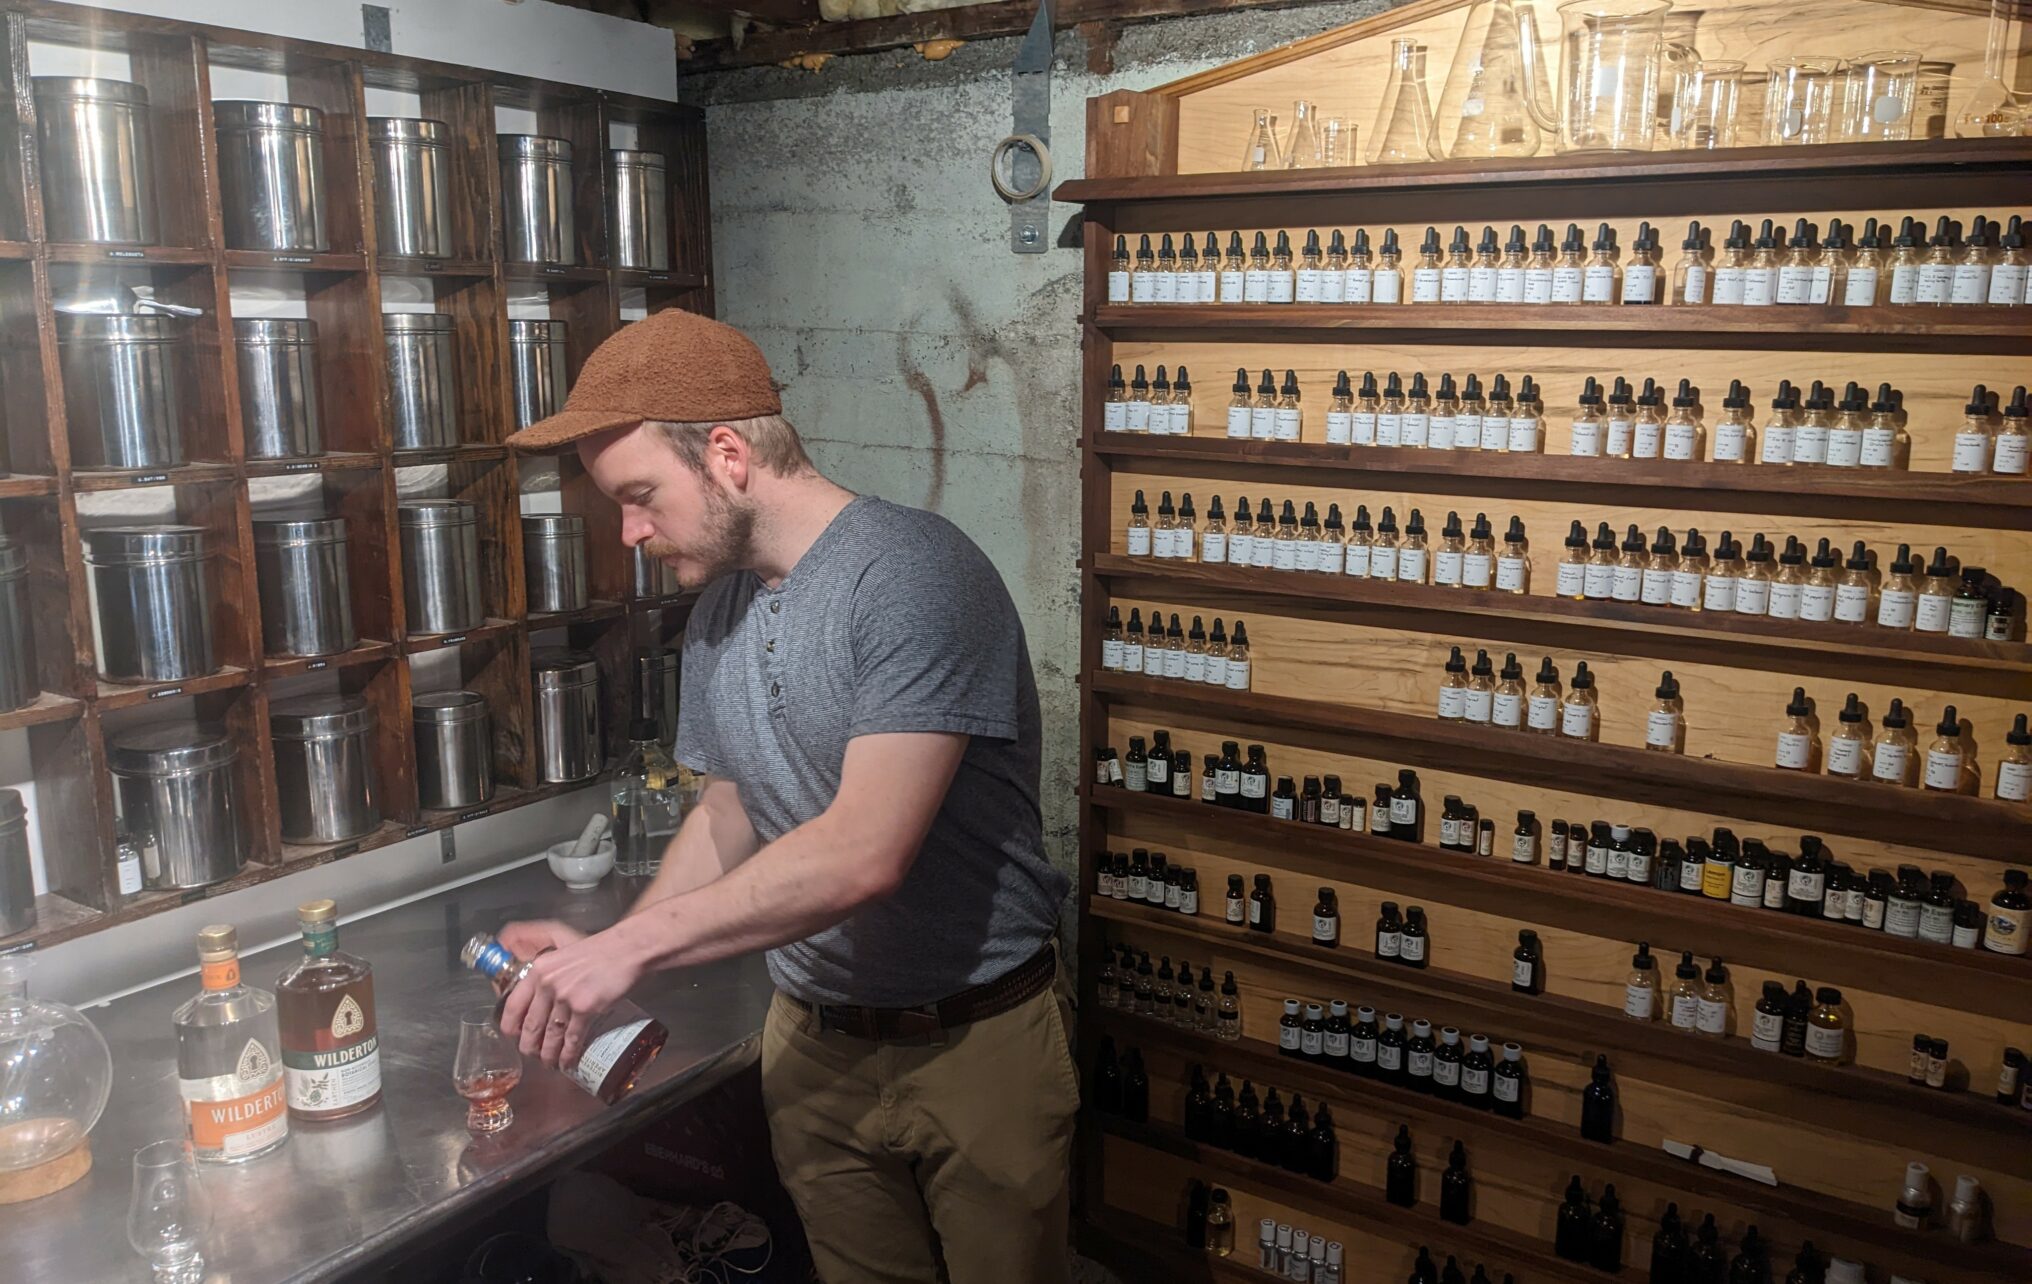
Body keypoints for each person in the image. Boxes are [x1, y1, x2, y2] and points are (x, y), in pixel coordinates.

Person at [498, 308, 1076, 1283]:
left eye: (639, 497)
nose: (631, 533)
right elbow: (731, 809)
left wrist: (623, 948)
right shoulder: (722, 606)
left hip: (974, 1047)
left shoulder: (914, 576)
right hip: (813, 1046)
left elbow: (863, 851)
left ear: (726, 453)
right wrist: (613, 954)